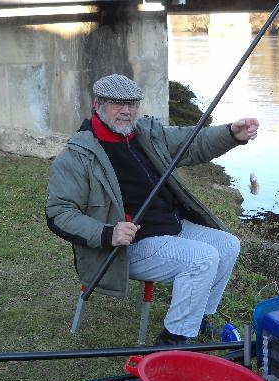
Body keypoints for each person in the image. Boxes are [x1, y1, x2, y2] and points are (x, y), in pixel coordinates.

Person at [45, 74, 259, 345]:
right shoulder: (78, 155)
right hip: (126, 247)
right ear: (97, 104)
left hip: (172, 227)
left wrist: (231, 134)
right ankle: (173, 341)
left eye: (132, 104)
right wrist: (106, 232)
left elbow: (191, 142)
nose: (127, 111)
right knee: (202, 258)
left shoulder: (145, 134)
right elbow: (59, 212)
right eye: (117, 104)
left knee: (228, 245)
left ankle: (199, 317)